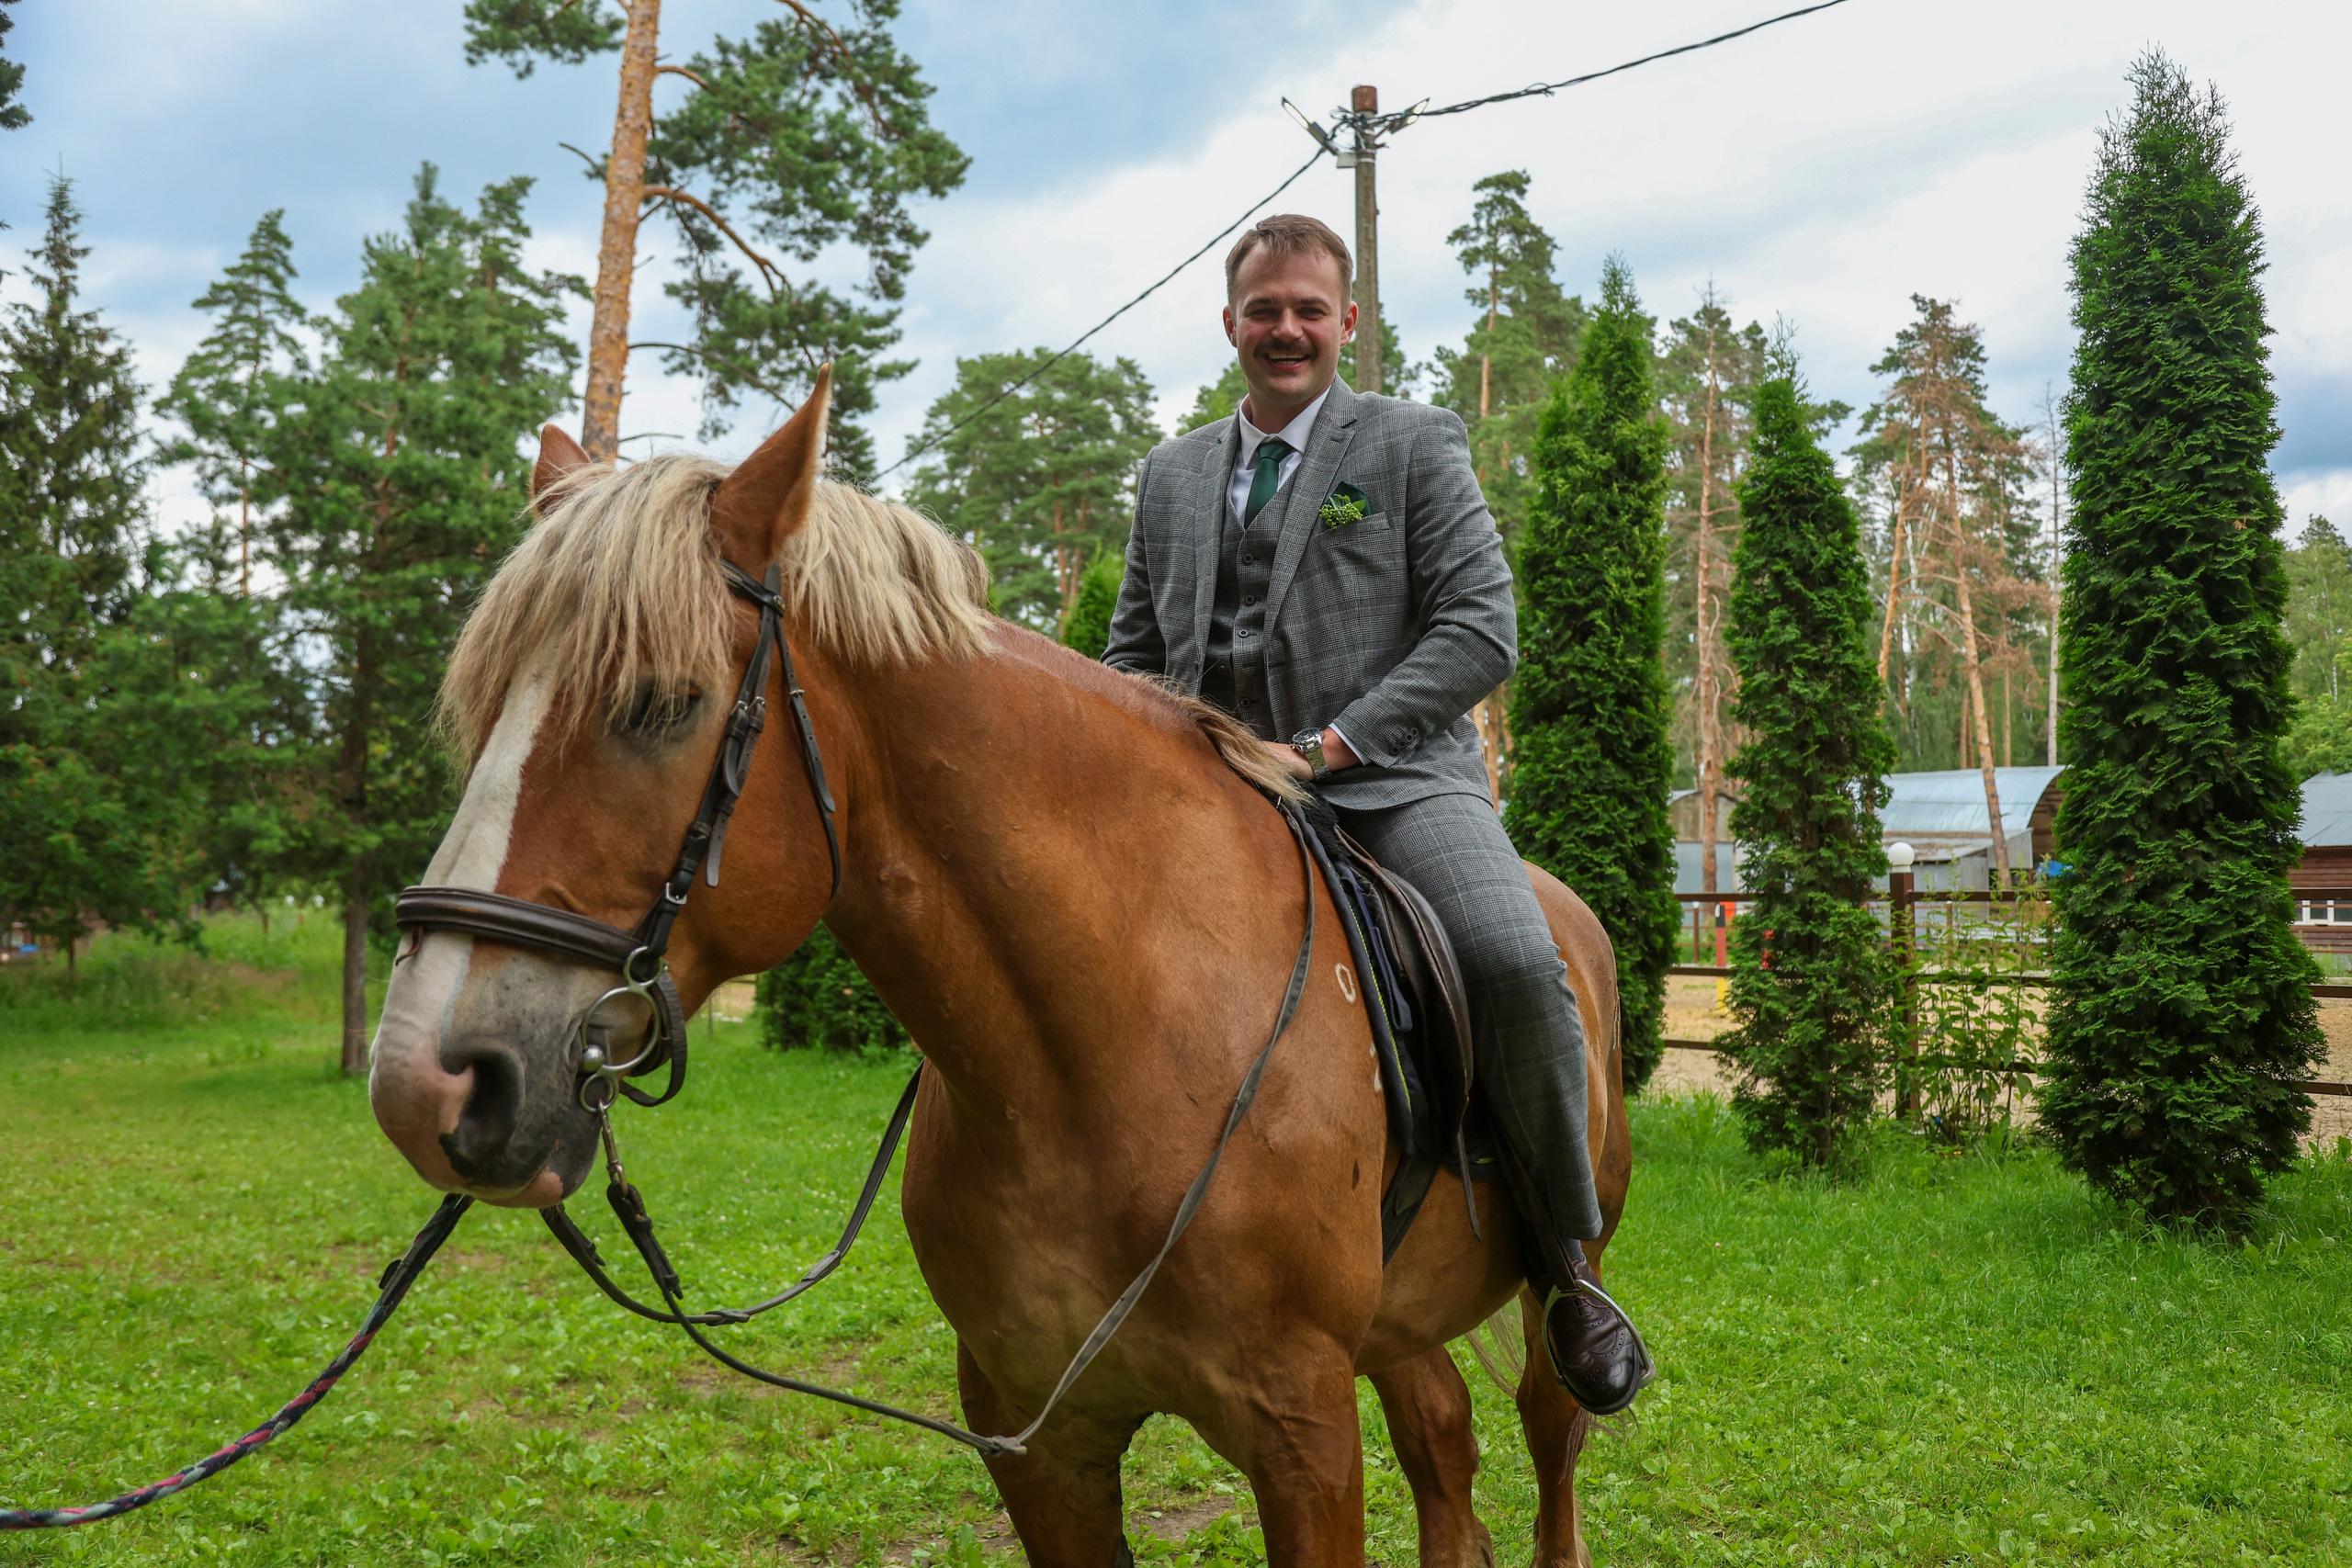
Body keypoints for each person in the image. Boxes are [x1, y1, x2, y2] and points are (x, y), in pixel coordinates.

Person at [1102, 213, 1649, 1414]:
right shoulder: (1172, 474)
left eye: (1309, 309)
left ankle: (1564, 1263)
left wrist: (1330, 746)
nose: (1286, 328)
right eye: (1264, 309)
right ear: (1230, 323)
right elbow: (1131, 655)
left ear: (1348, 321)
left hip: (1392, 783)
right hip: (1212, 798)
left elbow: (1480, 630)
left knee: (1512, 958)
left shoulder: (1411, 442)